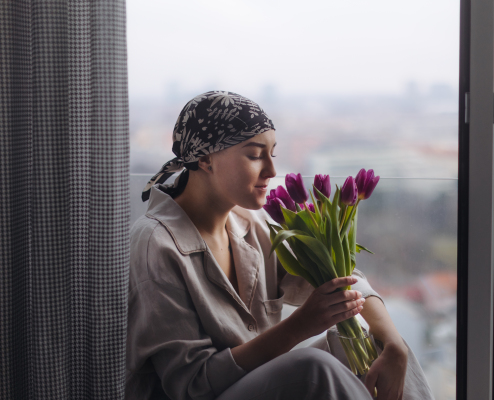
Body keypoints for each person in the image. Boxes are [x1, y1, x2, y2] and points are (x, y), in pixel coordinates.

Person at [126, 90, 434, 400]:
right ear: (206, 159)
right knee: (312, 366)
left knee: (367, 342)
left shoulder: (251, 225)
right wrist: (299, 326)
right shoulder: (155, 244)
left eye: (272, 153)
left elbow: (344, 279)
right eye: (255, 154)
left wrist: (392, 342)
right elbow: (191, 385)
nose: (272, 172)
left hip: (256, 385)